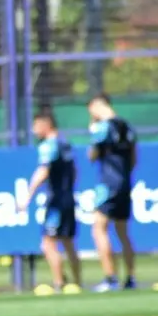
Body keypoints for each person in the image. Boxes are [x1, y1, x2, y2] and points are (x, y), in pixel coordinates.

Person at [19, 112, 81, 292]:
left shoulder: (49, 145)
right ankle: (77, 283)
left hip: (56, 202)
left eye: (36, 125)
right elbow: (75, 171)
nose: (33, 130)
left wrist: (28, 196)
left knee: (48, 242)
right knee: (68, 242)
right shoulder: (65, 143)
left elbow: (43, 171)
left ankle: (59, 283)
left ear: (46, 124)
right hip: (68, 198)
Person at [87, 94, 138, 292]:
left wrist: (92, 130)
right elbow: (134, 157)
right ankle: (131, 277)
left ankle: (110, 277)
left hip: (108, 183)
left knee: (99, 228)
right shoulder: (127, 126)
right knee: (123, 232)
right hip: (125, 182)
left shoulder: (102, 128)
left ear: (97, 106)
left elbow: (92, 155)